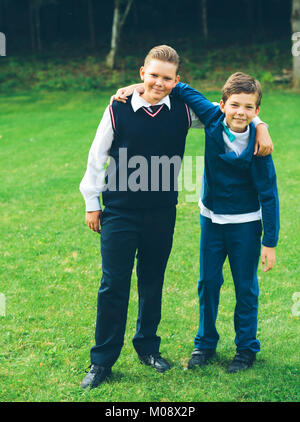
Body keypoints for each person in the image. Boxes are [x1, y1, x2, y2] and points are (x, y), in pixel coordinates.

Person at [79, 45, 273, 389]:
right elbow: (97, 157)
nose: (158, 82)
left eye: (166, 78)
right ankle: (102, 361)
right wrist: (92, 203)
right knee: (113, 285)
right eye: (152, 75)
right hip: (119, 211)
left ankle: (148, 348)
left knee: (152, 282)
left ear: (176, 81)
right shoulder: (118, 108)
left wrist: (260, 125)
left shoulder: (184, 112)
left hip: (161, 212)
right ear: (142, 74)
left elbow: (229, 112)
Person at [172, 73, 280, 373]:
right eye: (234, 105)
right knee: (208, 282)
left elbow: (269, 196)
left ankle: (246, 348)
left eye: (249, 108)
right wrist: (134, 87)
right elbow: (178, 86)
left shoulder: (261, 148)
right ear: (222, 105)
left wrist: (269, 242)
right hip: (211, 221)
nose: (240, 112)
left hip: (246, 225)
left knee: (245, 288)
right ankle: (205, 343)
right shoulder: (212, 118)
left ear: (257, 110)